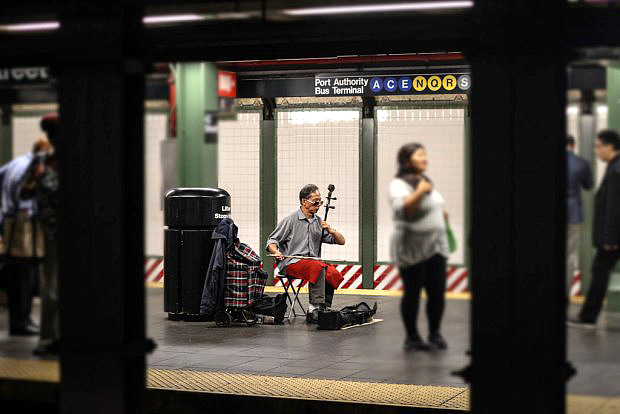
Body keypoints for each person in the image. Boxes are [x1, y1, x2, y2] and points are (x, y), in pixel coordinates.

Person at [389, 143, 450, 351]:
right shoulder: (400, 184)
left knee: (437, 292)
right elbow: (403, 209)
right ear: (407, 160)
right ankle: (412, 337)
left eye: (425, 155)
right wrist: (421, 192)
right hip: (412, 248)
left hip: (436, 248)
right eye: (420, 155)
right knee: (413, 293)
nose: (425, 159)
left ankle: (435, 334)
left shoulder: (426, 182)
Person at [266, 184, 345, 324]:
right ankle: (313, 309)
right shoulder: (290, 220)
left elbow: (341, 241)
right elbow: (272, 240)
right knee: (318, 266)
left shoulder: (319, 222)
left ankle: (324, 307)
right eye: (315, 201)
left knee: (332, 272)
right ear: (304, 201)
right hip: (291, 263)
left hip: (312, 263)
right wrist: (276, 251)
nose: (319, 205)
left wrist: (331, 230)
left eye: (320, 201)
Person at [0, 138, 51, 336]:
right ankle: (21, 321)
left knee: (18, 275)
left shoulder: (15, 163)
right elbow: (25, 198)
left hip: (11, 223)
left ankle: (19, 319)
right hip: (24, 227)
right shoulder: (29, 168)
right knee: (25, 276)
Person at [569, 129, 620, 328]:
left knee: (599, 271)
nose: (597, 151)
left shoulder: (616, 170)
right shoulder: (613, 167)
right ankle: (587, 316)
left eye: (598, 146)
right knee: (599, 271)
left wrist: (609, 239)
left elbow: (614, 209)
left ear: (609, 147)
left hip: (613, 238)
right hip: (614, 236)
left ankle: (588, 317)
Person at [19, 113, 60, 354]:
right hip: (49, 235)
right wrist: (34, 179)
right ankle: (48, 338)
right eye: (51, 133)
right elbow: (24, 193)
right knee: (50, 289)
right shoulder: (41, 162)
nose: (54, 137)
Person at [566, 135, 593, 298]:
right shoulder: (581, 163)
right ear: (573, 146)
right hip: (573, 214)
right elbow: (588, 185)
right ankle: (565, 292)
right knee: (570, 255)